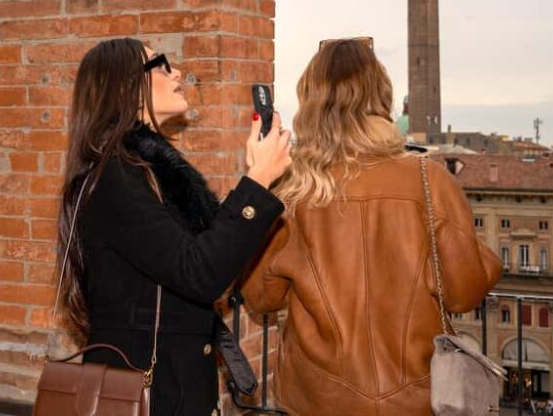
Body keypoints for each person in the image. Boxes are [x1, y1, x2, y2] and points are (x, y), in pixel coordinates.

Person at [241, 38, 503, 416]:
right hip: (415, 397)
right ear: (381, 96)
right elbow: (465, 292)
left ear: (310, 103)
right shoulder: (429, 179)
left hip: (317, 398)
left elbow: (262, 298)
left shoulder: (293, 188)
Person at [56, 38, 292, 416]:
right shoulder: (116, 178)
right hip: (143, 392)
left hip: (170, 386)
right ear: (125, 88)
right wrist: (258, 181)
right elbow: (201, 273)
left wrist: (255, 175)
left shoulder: (148, 172)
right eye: (161, 65)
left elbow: (206, 255)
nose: (177, 71)